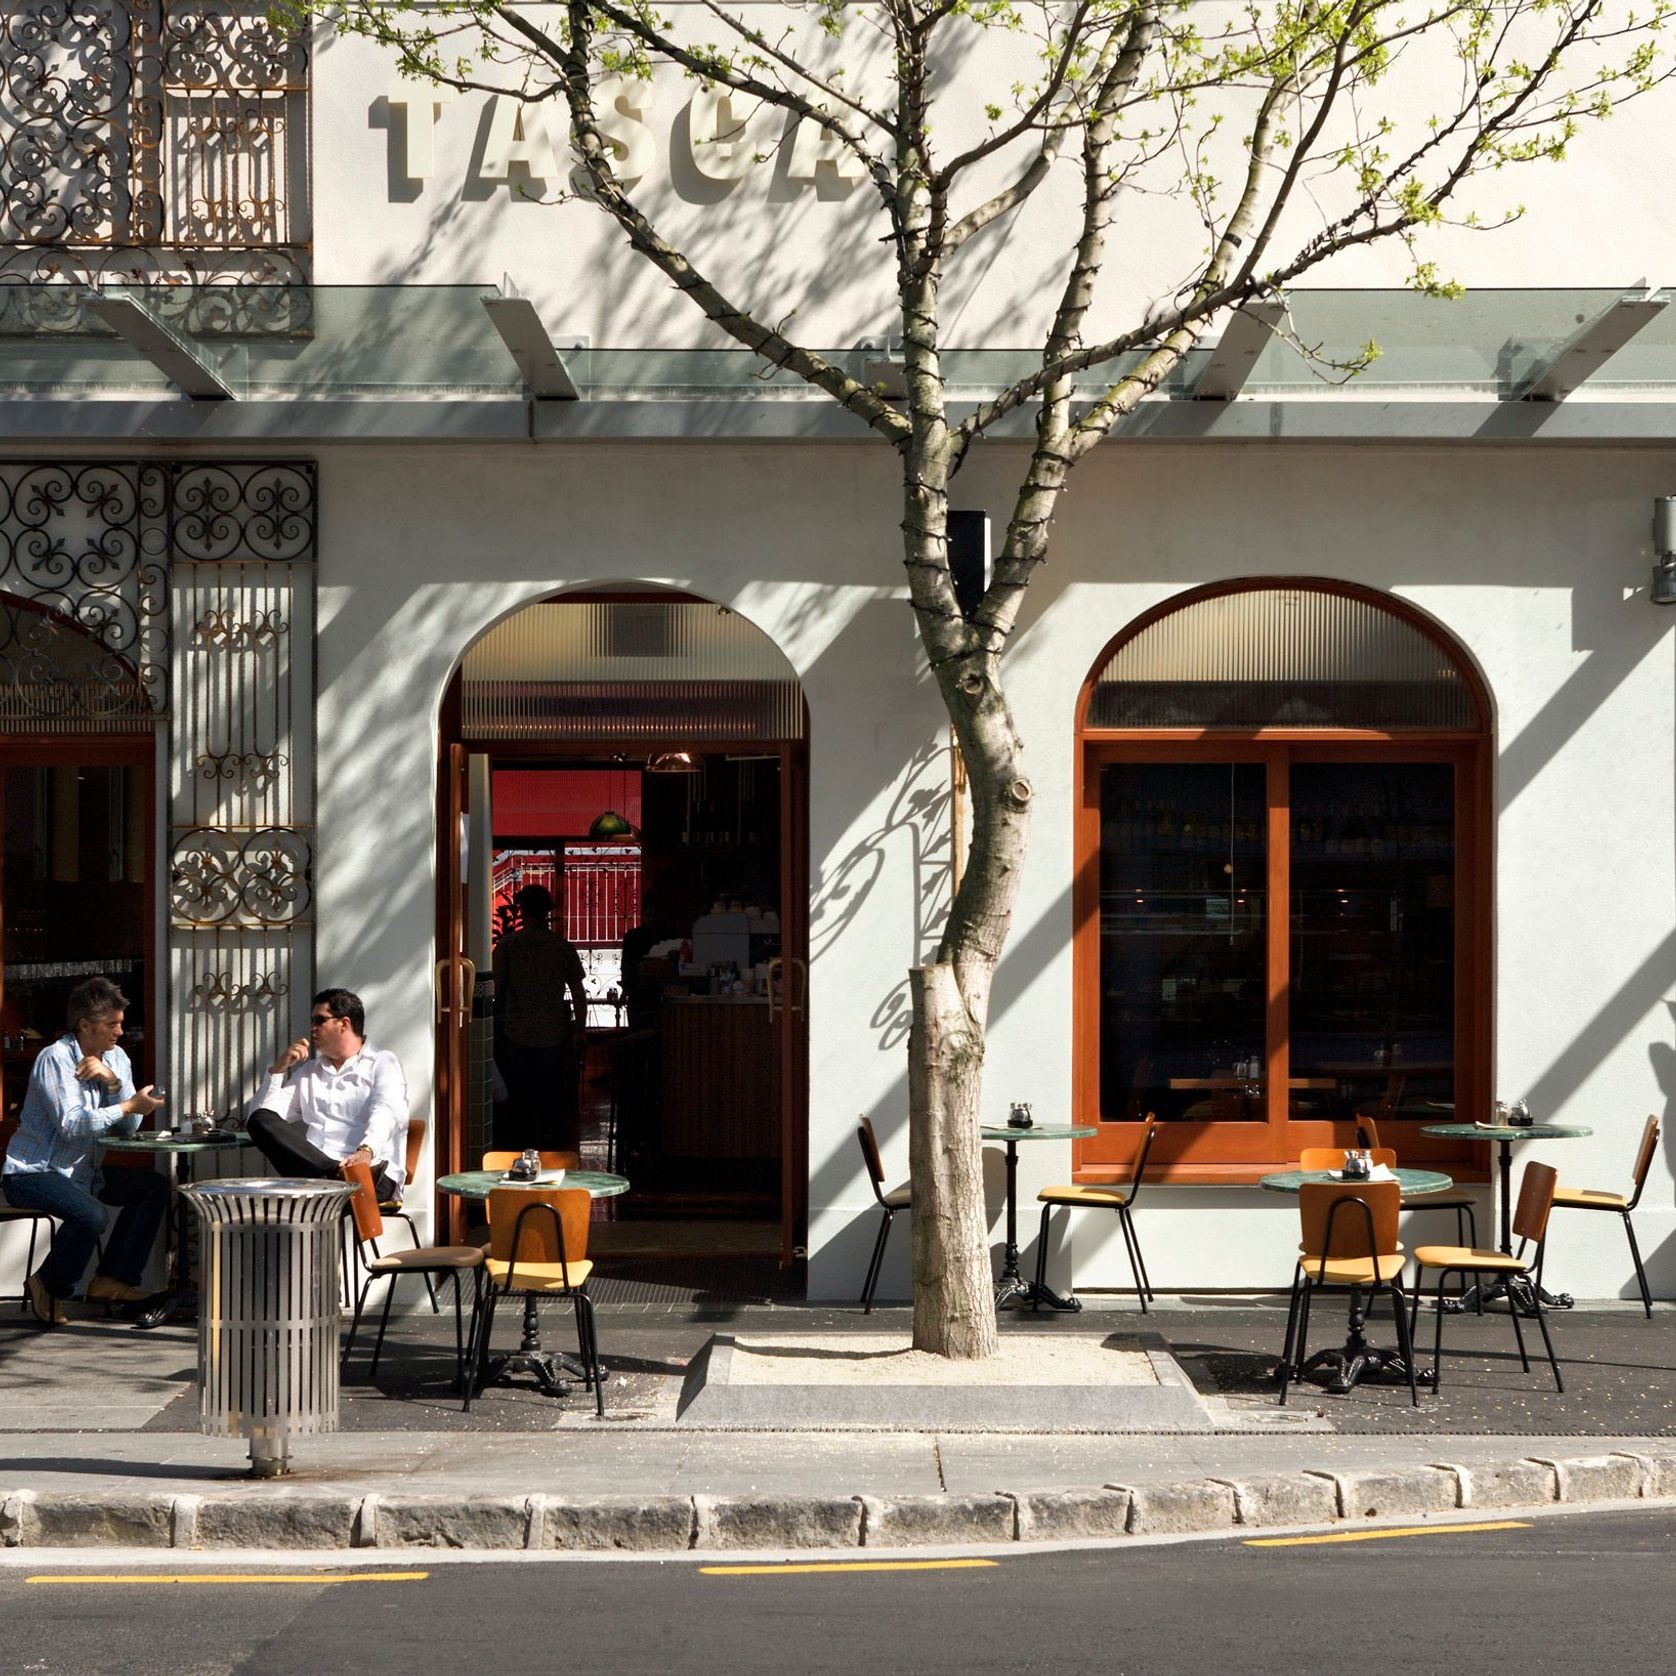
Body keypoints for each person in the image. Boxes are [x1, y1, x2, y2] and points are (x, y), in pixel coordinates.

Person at [1, 976, 169, 1327]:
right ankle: (48, 1284)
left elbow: (128, 1129)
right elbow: (72, 1124)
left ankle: (112, 1280)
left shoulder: (117, 1058)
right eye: (112, 1024)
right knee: (92, 1215)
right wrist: (126, 1106)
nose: (120, 1032)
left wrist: (114, 1085)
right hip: (34, 1172)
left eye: (121, 1024)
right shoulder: (56, 1058)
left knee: (154, 1187)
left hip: (85, 1174)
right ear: (84, 1025)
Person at [246, 987, 408, 1201]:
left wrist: (366, 1150)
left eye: (319, 1020)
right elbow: (259, 1118)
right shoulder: (310, 1072)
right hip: (318, 1177)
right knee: (260, 1119)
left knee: (325, 1188)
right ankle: (333, 1175)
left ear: (344, 1024)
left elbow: (387, 1110)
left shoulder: (382, 1062)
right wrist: (278, 1069)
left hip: (369, 1175)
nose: (312, 1028)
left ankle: (336, 1178)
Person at [493, 881, 588, 1152]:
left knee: (519, 1100)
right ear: (547, 911)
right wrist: (580, 1030)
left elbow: (496, 990)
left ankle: (520, 1149)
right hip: (554, 1035)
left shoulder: (509, 947)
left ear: (521, 910)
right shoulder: (562, 947)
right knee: (551, 1100)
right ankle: (550, 1149)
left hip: (516, 1034)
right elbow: (578, 993)